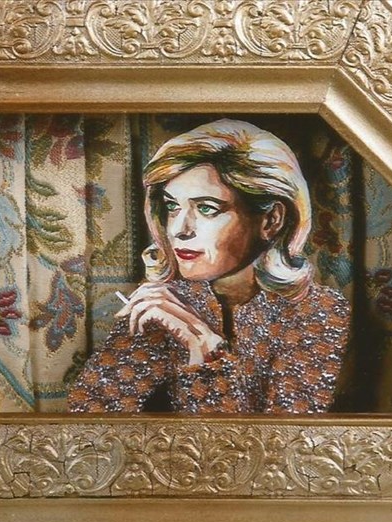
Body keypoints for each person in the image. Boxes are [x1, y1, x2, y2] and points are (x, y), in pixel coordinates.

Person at [68, 119, 350, 414]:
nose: (179, 229)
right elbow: (88, 416)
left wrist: (203, 349)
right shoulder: (164, 302)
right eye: (172, 207)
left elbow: (285, 437)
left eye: (206, 208)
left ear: (271, 220)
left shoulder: (316, 309)